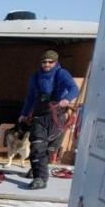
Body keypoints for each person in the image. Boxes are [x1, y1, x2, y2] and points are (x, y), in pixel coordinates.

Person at [17, 49, 79, 190]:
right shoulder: (35, 77)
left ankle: (38, 170)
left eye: (50, 62)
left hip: (56, 116)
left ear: (55, 62)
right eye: (44, 62)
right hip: (39, 116)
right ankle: (40, 178)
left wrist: (66, 99)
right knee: (37, 146)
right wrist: (24, 113)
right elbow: (30, 98)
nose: (46, 64)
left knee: (48, 149)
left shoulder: (61, 73)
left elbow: (74, 89)